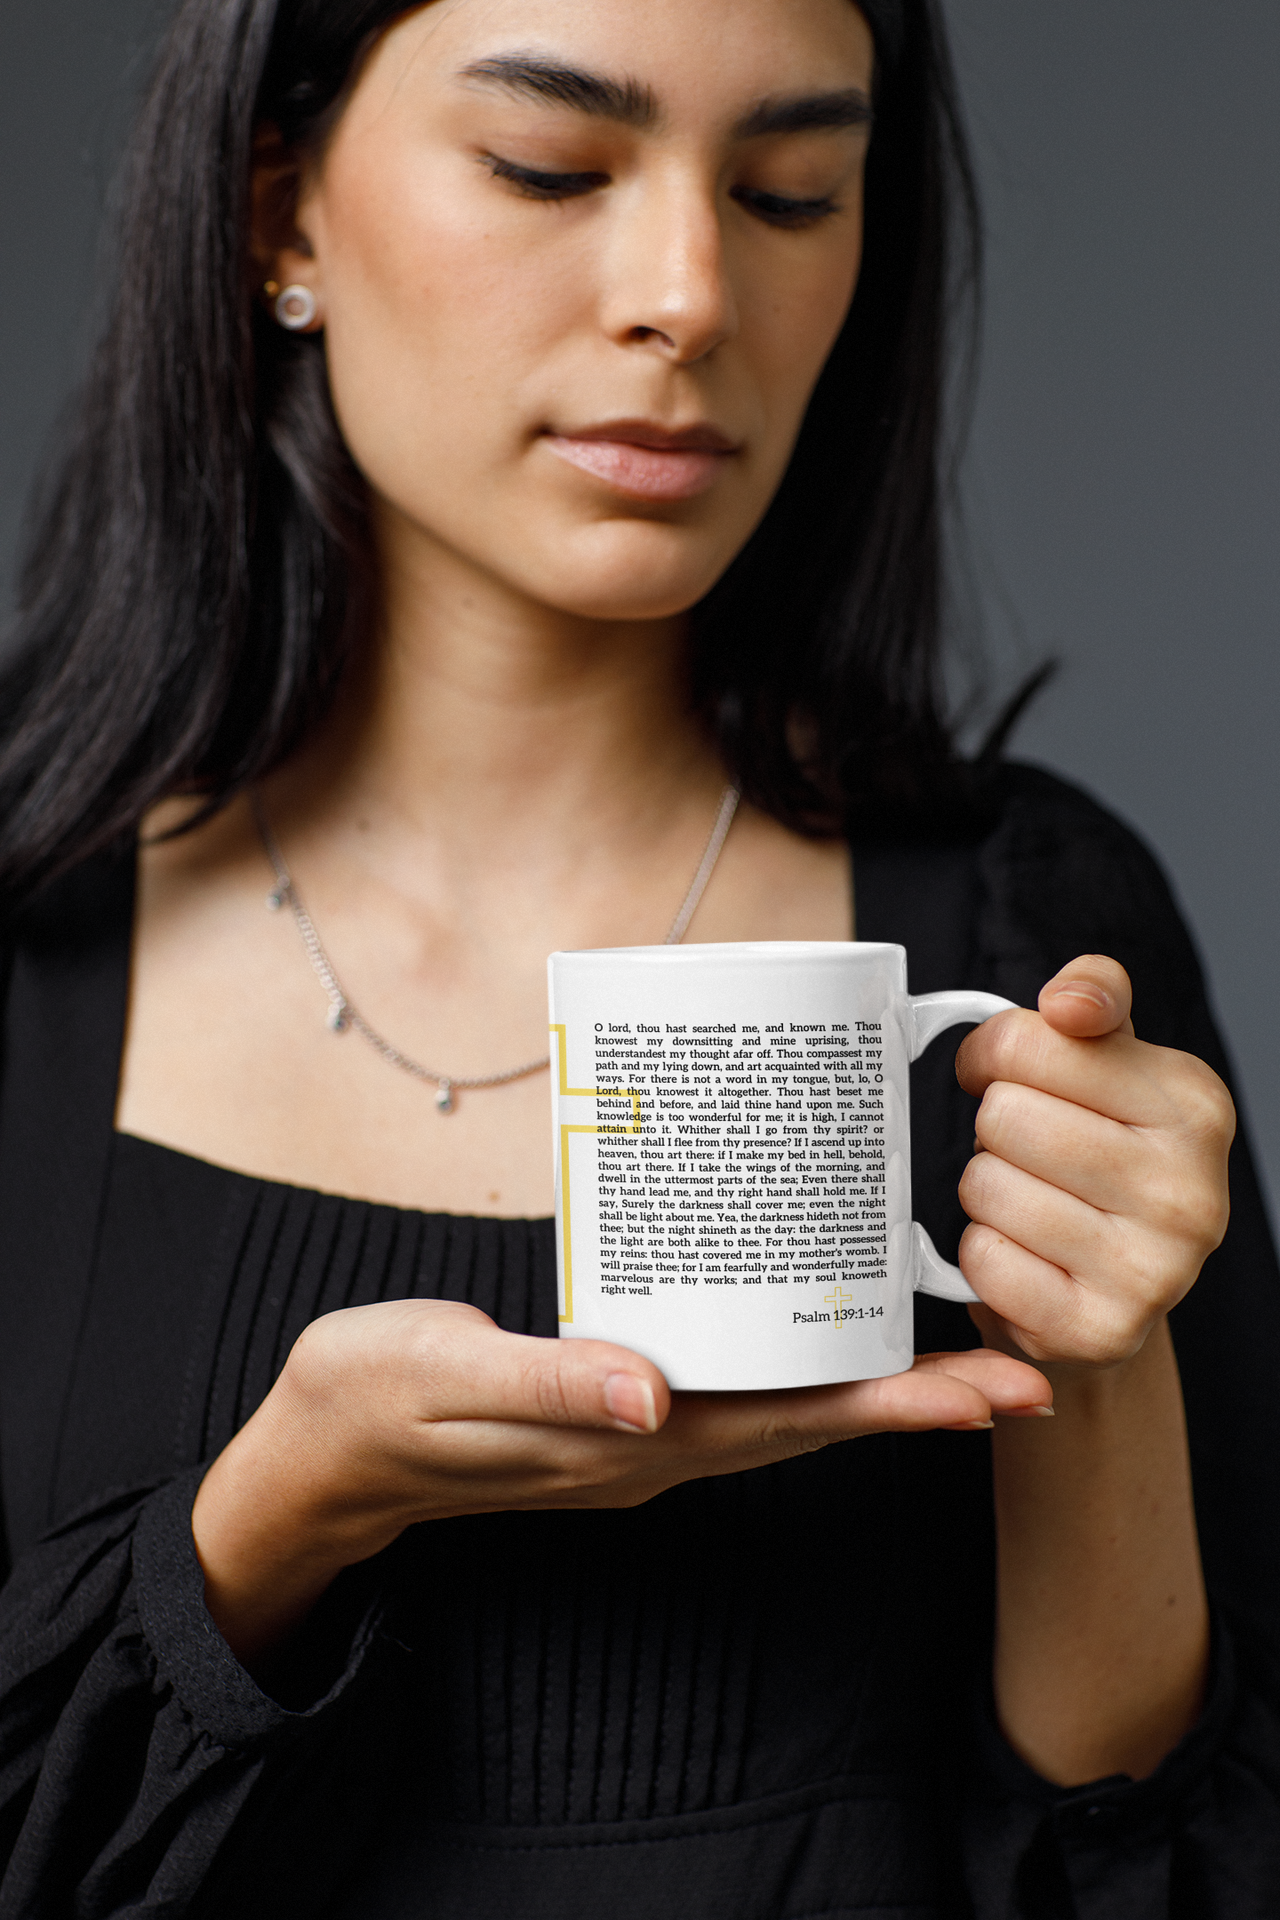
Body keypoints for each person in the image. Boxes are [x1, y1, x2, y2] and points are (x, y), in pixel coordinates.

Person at [0, 0, 1276, 1914]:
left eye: (788, 191)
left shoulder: (1024, 932)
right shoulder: (35, 939)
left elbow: (1162, 1848)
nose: (688, 291)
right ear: (281, 215)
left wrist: (1098, 1359)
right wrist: (280, 1515)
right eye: (549, 167)